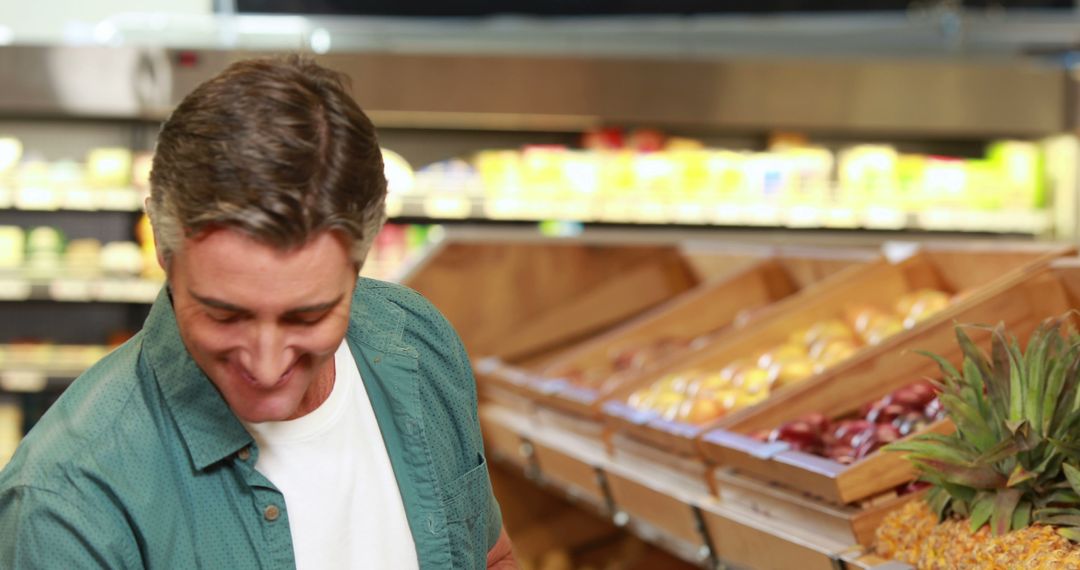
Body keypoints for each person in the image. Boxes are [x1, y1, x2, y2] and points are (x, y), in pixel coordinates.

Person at [0, 55, 515, 569]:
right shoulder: (65, 506)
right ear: (162, 248)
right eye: (225, 316)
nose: (267, 367)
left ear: (362, 259)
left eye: (308, 317)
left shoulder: (421, 343)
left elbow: (490, 555)